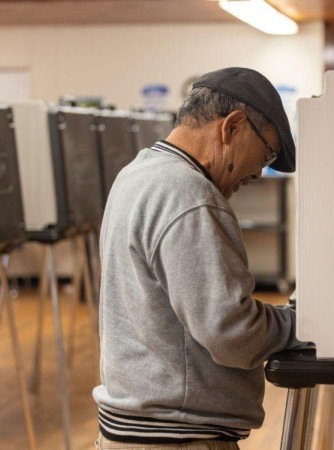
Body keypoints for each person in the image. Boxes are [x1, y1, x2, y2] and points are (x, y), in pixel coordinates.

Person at [94, 67, 300, 449]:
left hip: (140, 431)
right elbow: (232, 334)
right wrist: (300, 324)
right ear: (232, 127)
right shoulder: (188, 193)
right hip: (176, 437)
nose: (259, 172)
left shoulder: (137, 173)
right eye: (267, 153)